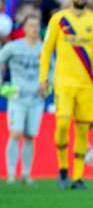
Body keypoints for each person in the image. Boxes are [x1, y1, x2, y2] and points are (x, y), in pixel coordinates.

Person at [39, 0, 93, 190]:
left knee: (83, 129)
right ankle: (62, 168)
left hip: (86, 84)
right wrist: (43, 79)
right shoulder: (59, 20)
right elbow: (46, 50)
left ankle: (77, 177)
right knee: (62, 125)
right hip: (63, 83)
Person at [0, 14, 44, 185]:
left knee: (30, 136)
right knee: (15, 133)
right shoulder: (13, 47)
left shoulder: (44, 49)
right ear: (24, 28)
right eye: (30, 25)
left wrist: (47, 87)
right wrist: (3, 86)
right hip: (17, 97)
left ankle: (26, 174)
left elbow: (52, 70)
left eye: (36, 25)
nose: (34, 28)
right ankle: (11, 174)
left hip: (36, 98)